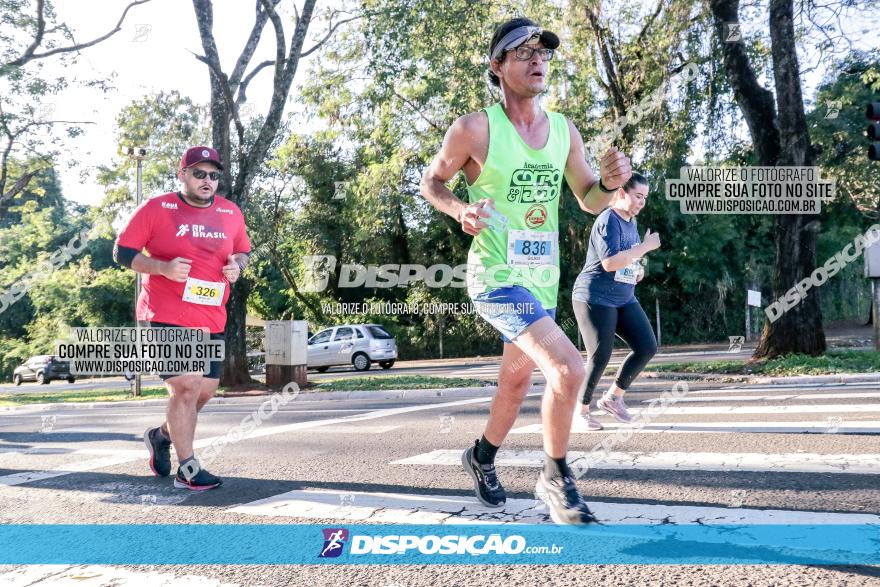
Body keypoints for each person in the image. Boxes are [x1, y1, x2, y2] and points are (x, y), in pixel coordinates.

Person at [420, 17, 632, 524]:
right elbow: (432, 182)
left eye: (543, 53)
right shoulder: (474, 128)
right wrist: (459, 210)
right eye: (523, 53)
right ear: (497, 65)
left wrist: (609, 183)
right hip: (496, 277)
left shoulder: (563, 129)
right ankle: (556, 478)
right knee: (568, 368)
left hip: (542, 277)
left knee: (515, 384)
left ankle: (481, 457)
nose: (538, 61)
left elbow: (587, 199)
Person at [113, 146, 251, 491]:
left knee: (203, 393)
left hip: (211, 317)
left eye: (213, 175)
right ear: (183, 175)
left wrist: (238, 266)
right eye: (199, 173)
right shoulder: (157, 208)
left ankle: (161, 436)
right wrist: (162, 268)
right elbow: (122, 252)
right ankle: (187, 468)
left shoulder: (230, 212)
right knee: (186, 387)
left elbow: (243, 251)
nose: (207, 181)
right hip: (167, 312)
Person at [572, 172, 660, 431]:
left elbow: (627, 260)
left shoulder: (631, 222)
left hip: (623, 297)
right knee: (600, 355)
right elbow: (609, 263)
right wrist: (644, 248)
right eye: (637, 196)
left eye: (645, 197)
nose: (642, 202)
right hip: (594, 297)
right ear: (621, 193)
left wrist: (638, 268)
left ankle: (613, 398)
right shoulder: (607, 220)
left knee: (646, 346)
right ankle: (581, 411)